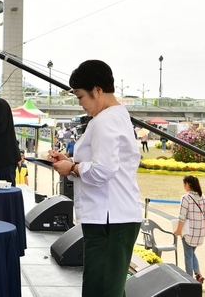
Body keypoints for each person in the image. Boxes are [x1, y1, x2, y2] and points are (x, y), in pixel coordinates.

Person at [48, 60, 141, 297]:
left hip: (110, 219)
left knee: (100, 289)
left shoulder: (105, 120)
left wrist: (73, 168)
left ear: (97, 90)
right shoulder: (115, 116)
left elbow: (103, 170)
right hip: (112, 216)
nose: (80, 103)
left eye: (80, 96)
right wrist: (69, 161)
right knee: (105, 287)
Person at [174, 175, 205, 284]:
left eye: (184, 184)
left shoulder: (186, 198)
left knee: (188, 255)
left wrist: (178, 230)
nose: (184, 186)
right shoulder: (203, 197)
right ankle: (198, 274)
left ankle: (189, 281)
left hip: (189, 231)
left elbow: (182, 217)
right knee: (192, 253)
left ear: (188, 184)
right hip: (199, 231)